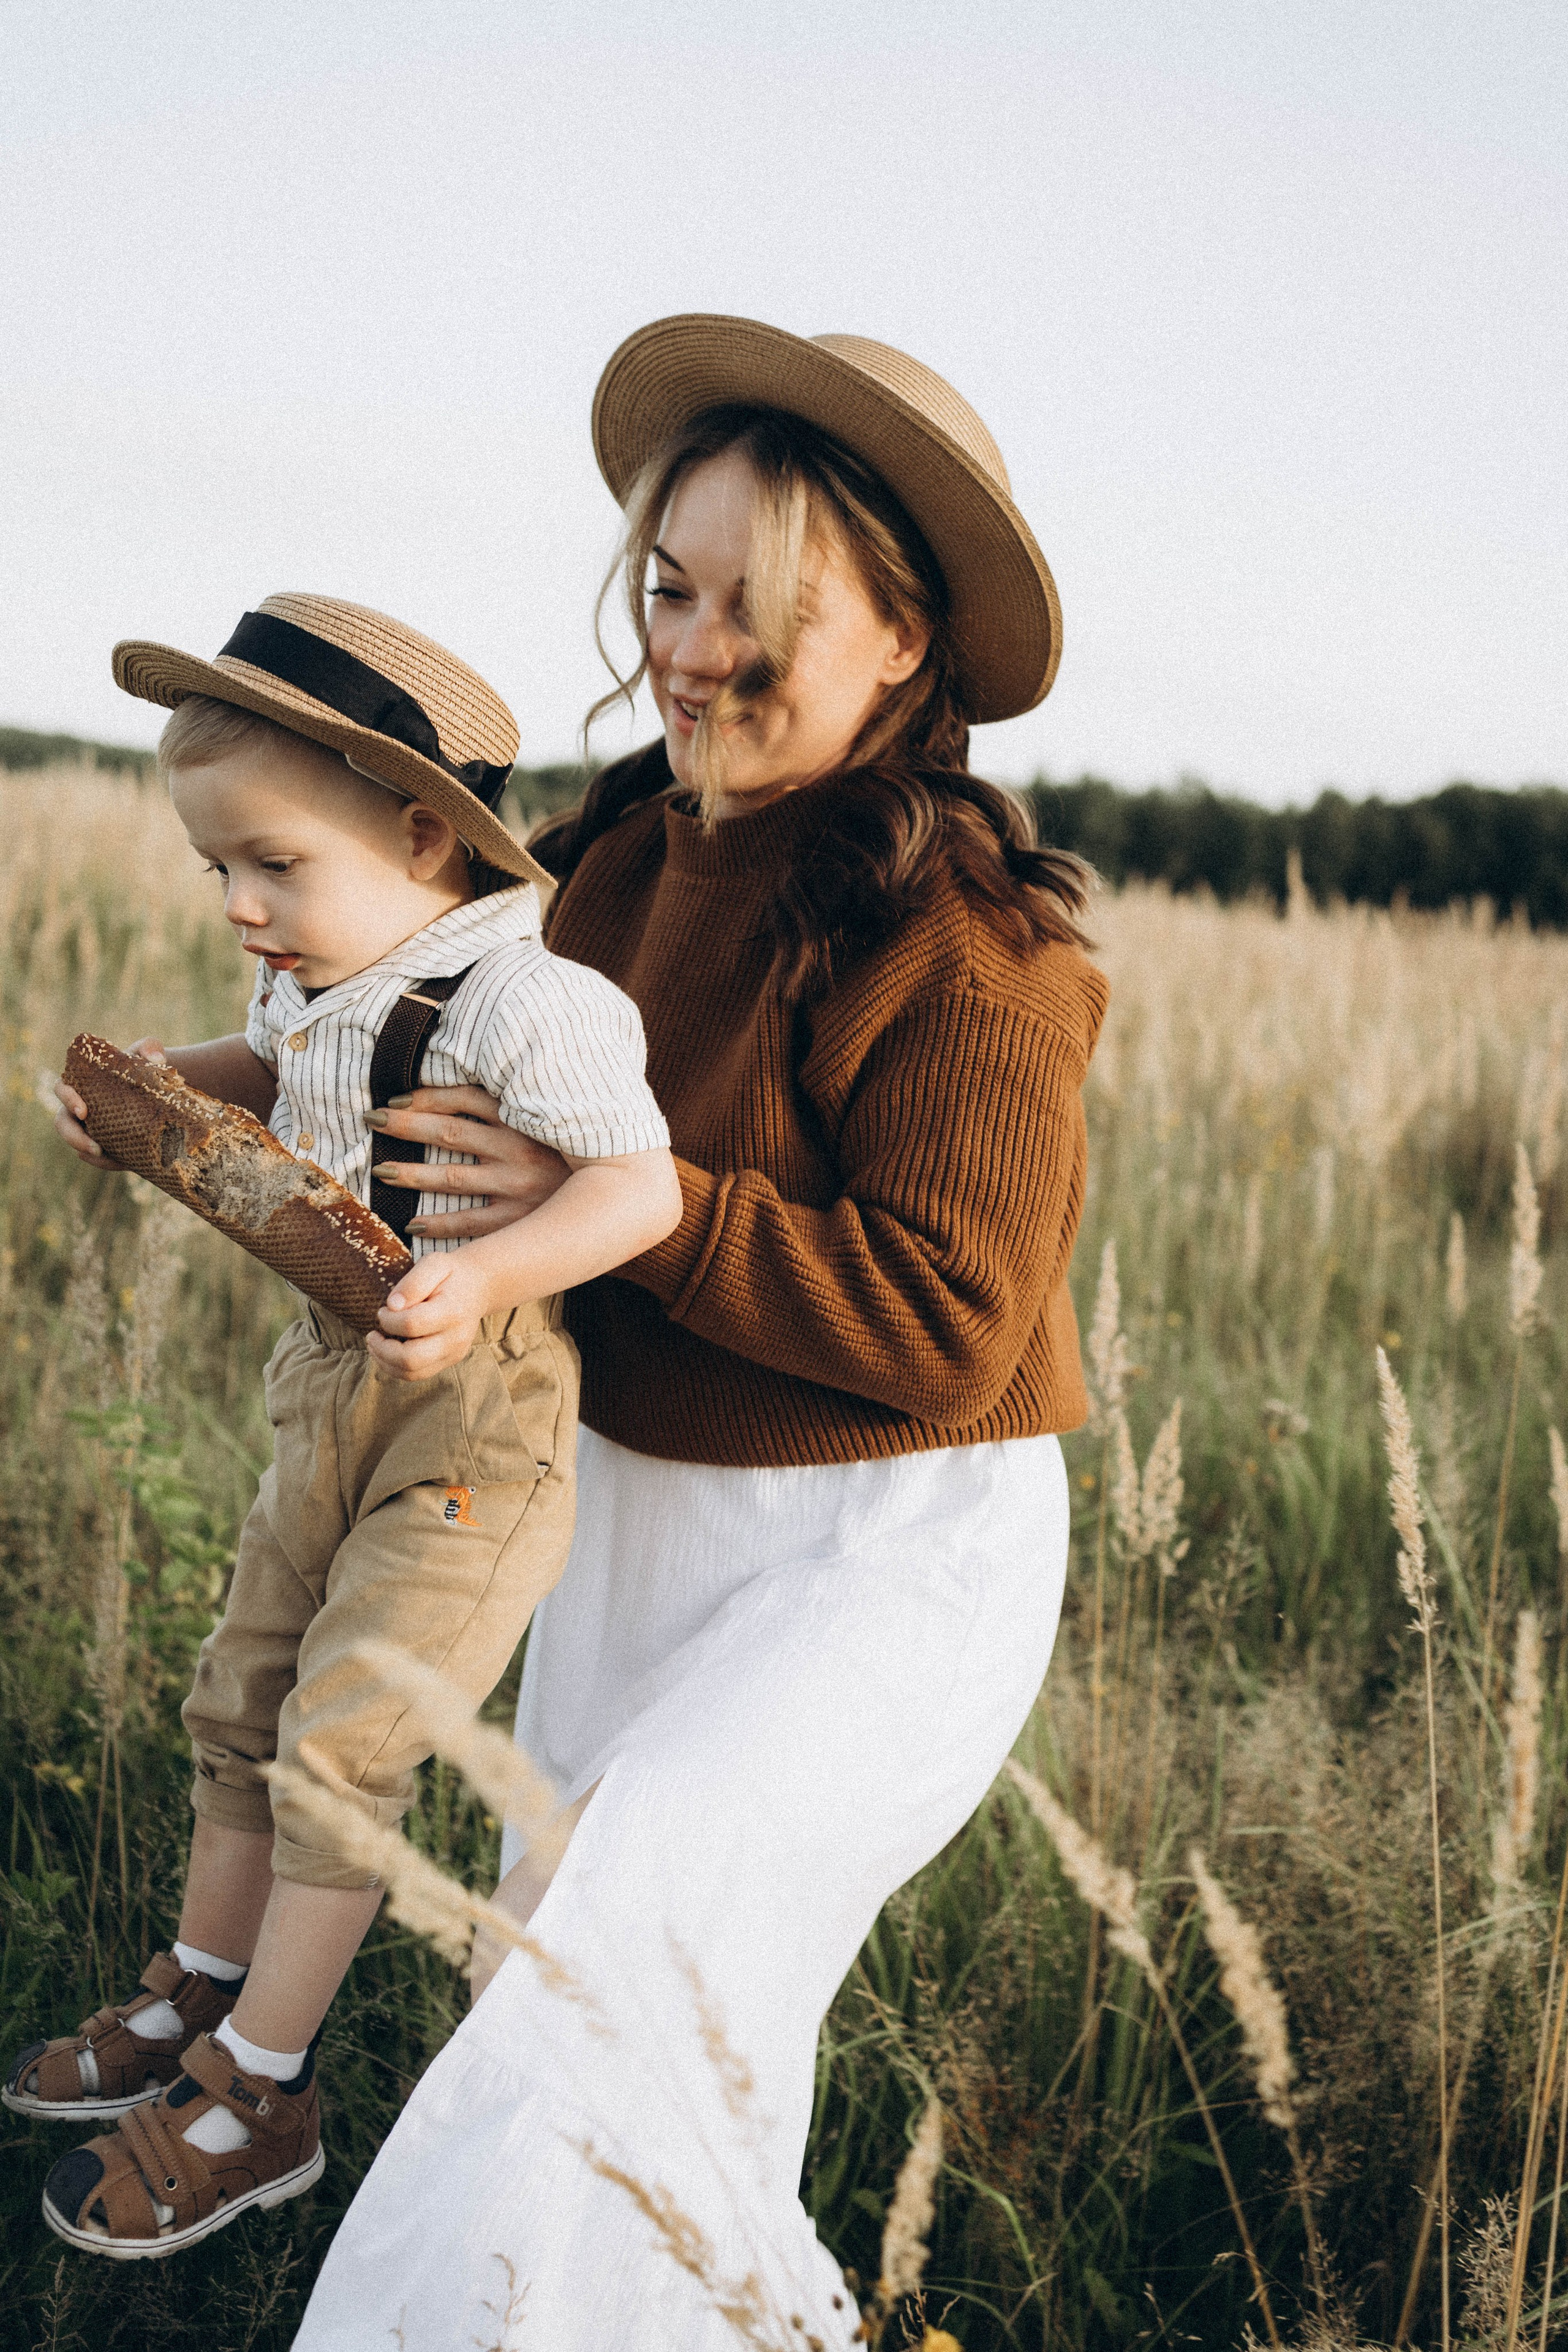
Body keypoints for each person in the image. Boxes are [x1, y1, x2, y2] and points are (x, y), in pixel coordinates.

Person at [295, 320, 1109, 2348]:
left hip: (881, 1545)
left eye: (767, 610)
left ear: (904, 642)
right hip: (636, 1516)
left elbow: (950, 1322)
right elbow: (468, 1095)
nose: (693, 650)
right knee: (609, 2009)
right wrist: (261, 1119)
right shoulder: (607, 866)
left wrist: (643, 1206)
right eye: (673, 588)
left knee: (615, 1964)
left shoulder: (972, 947)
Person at [8, 595, 679, 2260]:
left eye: (272, 865)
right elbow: (279, 1069)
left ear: (420, 834)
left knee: (346, 1740)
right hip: (330, 1377)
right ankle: (201, 1986)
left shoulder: (532, 1002)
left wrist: (491, 1271)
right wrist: (155, 1092)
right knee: (244, 1689)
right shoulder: (325, 968)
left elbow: (639, 1189)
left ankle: (265, 2089)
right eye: (218, 870)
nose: (241, 908)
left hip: (476, 1415)